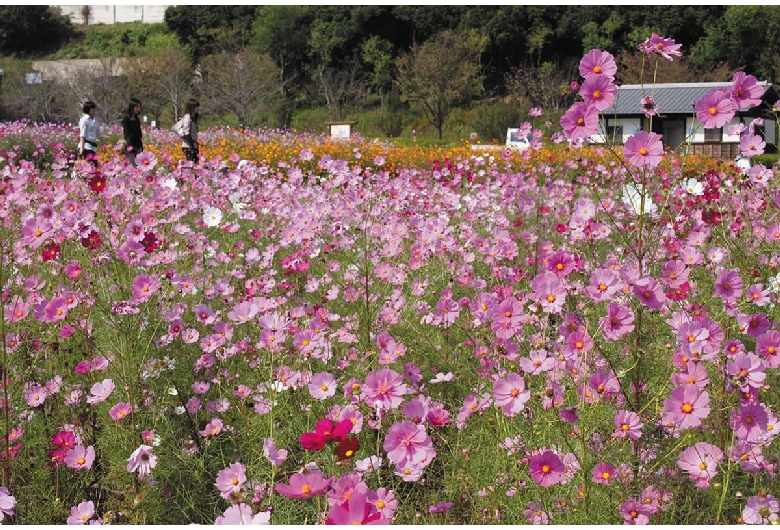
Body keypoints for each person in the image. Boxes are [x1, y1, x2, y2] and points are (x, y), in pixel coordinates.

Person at [121, 97, 143, 166]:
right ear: (132, 107)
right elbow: (126, 133)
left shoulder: (137, 119)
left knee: (139, 164)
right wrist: (129, 145)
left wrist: (141, 146)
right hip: (130, 145)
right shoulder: (126, 118)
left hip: (138, 144)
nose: (138, 109)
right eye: (136, 107)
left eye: (139, 107)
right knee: (133, 164)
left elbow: (139, 133)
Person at [78, 101, 101, 166]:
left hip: (94, 146)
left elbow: (98, 132)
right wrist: (81, 148)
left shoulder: (95, 119)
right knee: (89, 165)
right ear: (89, 109)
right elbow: (82, 134)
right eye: (93, 109)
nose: (94, 110)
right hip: (86, 146)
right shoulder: (84, 120)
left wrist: (104, 144)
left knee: (95, 165)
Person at [180, 98, 200, 163]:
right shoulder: (187, 117)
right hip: (188, 146)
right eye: (196, 107)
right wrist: (192, 145)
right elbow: (186, 132)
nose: (198, 108)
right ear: (192, 107)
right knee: (191, 164)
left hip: (192, 145)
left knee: (195, 164)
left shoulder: (191, 117)